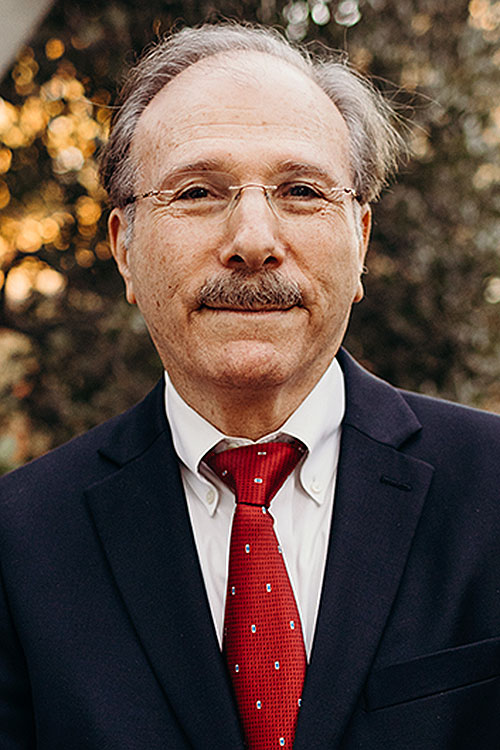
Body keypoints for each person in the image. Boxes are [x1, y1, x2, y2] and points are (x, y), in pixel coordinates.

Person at [1, 22, 500, 750]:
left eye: (300, 190)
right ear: (125, 249)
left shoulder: (492, 488)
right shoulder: (19, 542)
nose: (254, 240)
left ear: (359, 240)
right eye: (200, 191)